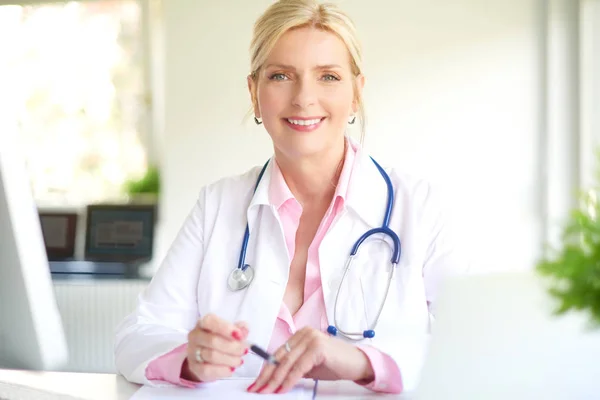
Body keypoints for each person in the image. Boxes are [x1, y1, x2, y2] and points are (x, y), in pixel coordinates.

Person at [115, 0, 467, 395]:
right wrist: (190, 356)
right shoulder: (217, 205)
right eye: (281, 75)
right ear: (254, 93)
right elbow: (137, 335)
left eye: (328, 77)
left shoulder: (417, 207)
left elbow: (477, 342)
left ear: (356, 94)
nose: (303, 98)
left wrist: (363, 362)